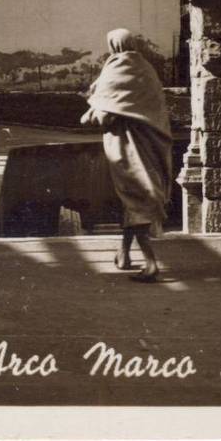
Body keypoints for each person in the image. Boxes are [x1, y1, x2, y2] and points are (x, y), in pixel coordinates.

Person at [81, 28, 171, 282]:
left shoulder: (116, 69)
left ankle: (151, 264)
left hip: (127, 148)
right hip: (151, 147)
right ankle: (124, 255)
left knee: (136, 200)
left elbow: (105, 116)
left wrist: (90, 112)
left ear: (113, 45)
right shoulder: (147, 70)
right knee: (134, 200)